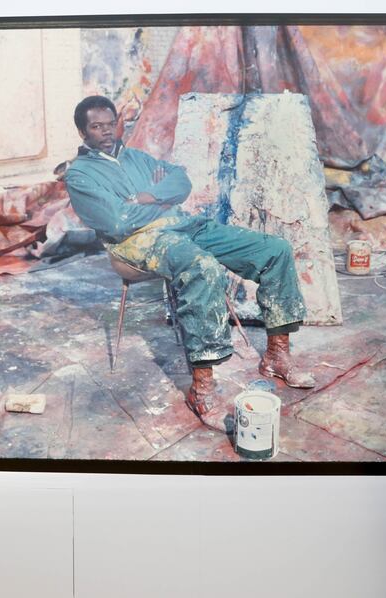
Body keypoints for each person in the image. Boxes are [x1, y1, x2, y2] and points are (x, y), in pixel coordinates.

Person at [63, 95, 315, 429]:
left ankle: (276, 355)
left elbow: (181, 181)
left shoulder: (136, 157)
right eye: (97, 127)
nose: (107, 132)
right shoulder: (80, 175)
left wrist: (150, 195)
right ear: (83, 132)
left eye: (111, 124)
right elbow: (118, 220)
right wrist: (161, 200)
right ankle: (202, 388)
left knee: (275, 249)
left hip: (183, 224)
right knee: (202, 266)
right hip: (136, 242)